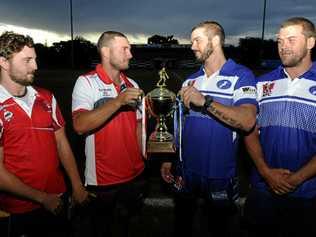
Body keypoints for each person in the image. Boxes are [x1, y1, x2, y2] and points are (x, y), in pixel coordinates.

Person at [160, 21, 257, 237]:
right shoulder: (191, 80)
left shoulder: (241, 76)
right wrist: (169, 157)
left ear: (215, 41)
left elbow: (247, 120)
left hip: (219, 173)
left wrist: (205, 101)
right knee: (182, 224)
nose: (192, 46)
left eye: (197, 40)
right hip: (185, 170)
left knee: (218, 228)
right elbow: (179, 123)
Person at [0, 31, 89, 237]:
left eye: (35, 59)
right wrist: (42, 198)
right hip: (18, 209)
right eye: (27, 60)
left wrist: (76, 185)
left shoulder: (46, 98)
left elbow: (62, 143)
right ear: (4, 62)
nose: (35, 67)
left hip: (58, 198)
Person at [244, 17, 316, 237]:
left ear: (311, 42)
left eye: (291, 40)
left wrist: (296, 179)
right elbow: (250, 131)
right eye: (279, 41)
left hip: (309, 193)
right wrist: (266, 172)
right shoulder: (262, 83)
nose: (283, 46)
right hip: (262, 188)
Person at [71, 31, 146, 237]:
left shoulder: (133, 85)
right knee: (101, 229)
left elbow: (139, 127)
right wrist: (117, 102)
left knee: (127, 227)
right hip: (102, 180)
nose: (130, 54)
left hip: (135, 174)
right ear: (105, 51)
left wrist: (149, 153)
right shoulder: (86, 82)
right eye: (125, 49)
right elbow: (80, 125)